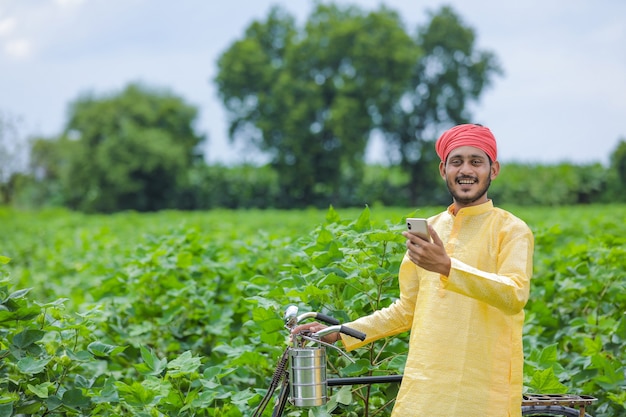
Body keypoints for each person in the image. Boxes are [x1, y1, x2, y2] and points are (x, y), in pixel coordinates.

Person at [293, 124, 534, 417]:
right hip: (425, 386)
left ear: (493, 169)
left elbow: (514, 295)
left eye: (476, 161)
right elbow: (406, 310)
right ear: (443, 170)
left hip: (483, 390)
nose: (466, 170)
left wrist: (446, 267)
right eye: (456, 162)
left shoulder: (511, 230)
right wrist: (339, 332)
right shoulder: (431, 230)